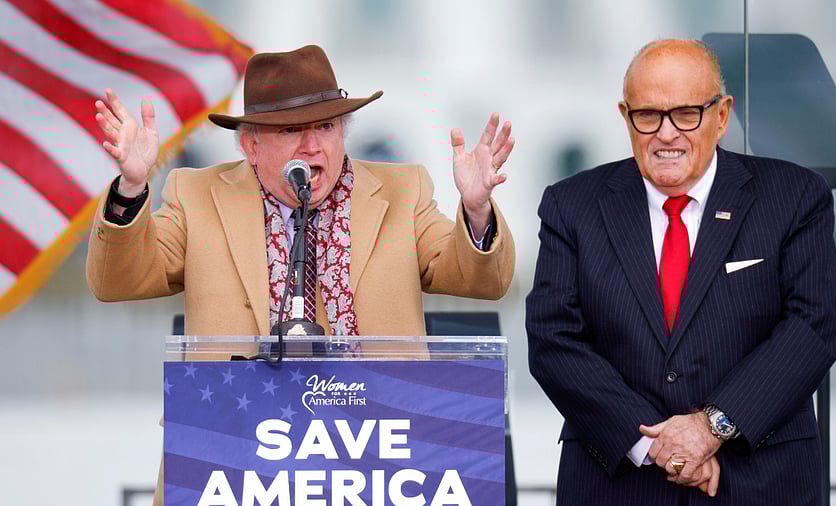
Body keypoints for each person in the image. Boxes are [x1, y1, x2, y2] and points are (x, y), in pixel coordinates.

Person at [87, 45, 515, 505]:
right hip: (235, 459)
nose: (313, 145)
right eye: (292, 130)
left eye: (326, 127)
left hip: (381, 462)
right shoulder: (197, 195)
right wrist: (131, 189)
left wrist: (475, 210)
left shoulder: (403, 190)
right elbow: (118, 281)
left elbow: (481, 281)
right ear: (251, 144)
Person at [526, 39, 836, 505]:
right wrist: (657, 447)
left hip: (759, 481)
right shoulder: (571, 204)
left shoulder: (794, 196)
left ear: (721, 115)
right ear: (625, 116)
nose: (667, 134)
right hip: (618, 484)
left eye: (686, 114)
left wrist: (710, 427)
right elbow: (554, 340)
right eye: (648, 115)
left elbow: (812, 328)